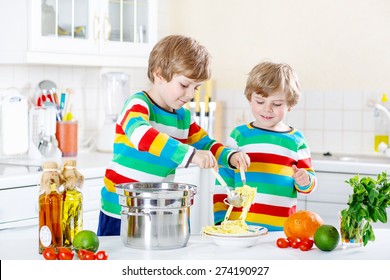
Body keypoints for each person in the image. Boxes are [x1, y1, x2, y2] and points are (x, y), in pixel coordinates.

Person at [97, 35, 250, 236]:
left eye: (195, 88)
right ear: (159, 75)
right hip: (121, 212)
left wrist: (229, 156)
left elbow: (205, 144)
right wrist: (191, 155)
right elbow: (143, 136)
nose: (189, 95)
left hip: (159, 210)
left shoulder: (183, 116)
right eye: (184, 85)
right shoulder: (138, 105)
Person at [214, 61, 317, 231]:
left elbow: (308, 184)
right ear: (250, 98)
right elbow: (223, 178)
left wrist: (305, 180)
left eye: (276, 104)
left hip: (281, 229)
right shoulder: (239, 136)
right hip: (239, 227)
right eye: (260, 101)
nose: (267, 109)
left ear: (290, 104)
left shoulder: (296, 140)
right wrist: (219, 218)